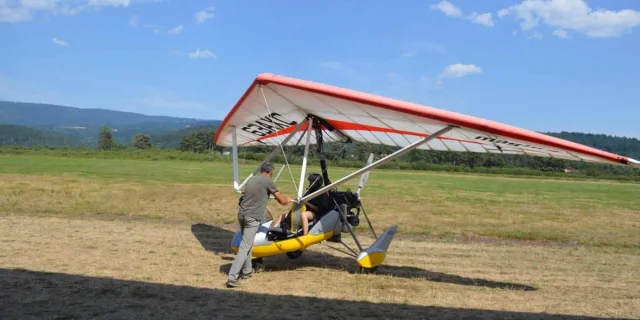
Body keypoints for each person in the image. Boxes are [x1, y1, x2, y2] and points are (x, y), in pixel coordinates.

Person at [226, 161, 291, 288]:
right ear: (270, 172)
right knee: (245, 247)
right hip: (252, 217)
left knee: (248, 243)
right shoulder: (268, 181)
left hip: (242, 214)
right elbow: (282, 201)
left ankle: (247, 271)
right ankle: (232, 278)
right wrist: (288, 199)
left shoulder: (251, 179)